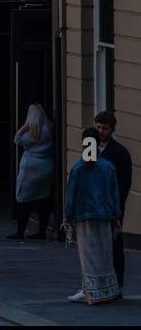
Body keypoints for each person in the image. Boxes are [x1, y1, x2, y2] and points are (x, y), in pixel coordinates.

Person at [64, 128, 122, 304]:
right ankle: (108, 290)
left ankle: (90, 291)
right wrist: (116, 215)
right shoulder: (108, 167)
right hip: (104, 215)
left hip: (85, 216)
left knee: (88, 256)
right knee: (104, 255)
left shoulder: (78, 168)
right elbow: (114, 194)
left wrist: (67, 216)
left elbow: (71, 194)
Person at [95, 110, 133, 290]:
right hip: (94, 204)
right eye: (99, 128)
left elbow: (124, 184)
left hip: (111, 205)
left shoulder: (119, 152)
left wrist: (117, 208)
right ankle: (97, 283)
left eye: (105, 128)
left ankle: (116, 285)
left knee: (114, 246)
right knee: (95, 246)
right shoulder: (91, 148)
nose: (101, 131)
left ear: (112, 129)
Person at [10, 103, 55, 240]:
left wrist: (24, 127)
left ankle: (20, 231)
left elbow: (17, 139)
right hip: (47, 165)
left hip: (30, 167)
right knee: (44, 198)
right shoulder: (49, 128)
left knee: (23, 199)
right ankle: (42, 230)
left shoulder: (32, 132)